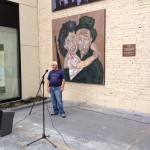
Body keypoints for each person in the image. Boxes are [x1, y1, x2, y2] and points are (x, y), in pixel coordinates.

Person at [71, 16, 104, 84]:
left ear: (90, 40)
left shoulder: (96, 65)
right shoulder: (73, 57)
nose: (82, 42)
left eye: (85, 38)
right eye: (79, 38)